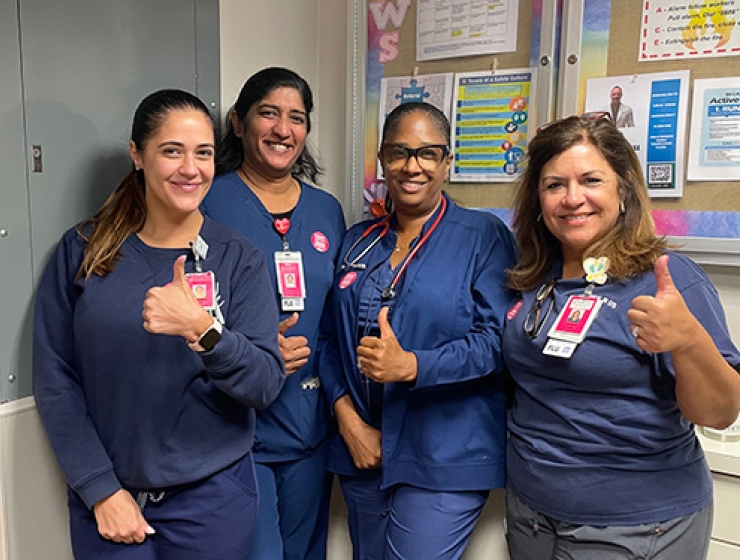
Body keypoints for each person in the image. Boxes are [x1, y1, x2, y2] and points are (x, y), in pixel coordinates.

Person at [33, 89, 286, 559]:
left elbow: (265, 383)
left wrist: (203, 330)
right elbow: (56, 381)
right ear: (137, 155)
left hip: (211, 503)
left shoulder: (237, 258)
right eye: (172, 150)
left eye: (204, 153)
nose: (191, 169)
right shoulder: (85, 251)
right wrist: (99, 490)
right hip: (109, 501)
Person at [503, 114, 740, 559]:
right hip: (532, 511)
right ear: (537, 197)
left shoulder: (665, 280)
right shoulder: (534, 274)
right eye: (555, 185)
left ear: (622, 189)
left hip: (635, 522)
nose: (573, 198)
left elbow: (720, 412)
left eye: (591, 180)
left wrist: (688, 340)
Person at [318, 101, 517, 560]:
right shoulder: (358, 239)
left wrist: (411, 365)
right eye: (400, 153)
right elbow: (329, 338)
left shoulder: (483, 237)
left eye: (428, 153)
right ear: (383, 161)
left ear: (448, 162)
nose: (413, 166)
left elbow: (497, 344)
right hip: (363, 451)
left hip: (444, 454)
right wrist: (346, 417)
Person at [201, 67, 345, 560]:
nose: (283, 129)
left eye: (297, 118)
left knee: (308, 553)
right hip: (237, 430)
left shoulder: (327, 211)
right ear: (239, 123)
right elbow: (183, 312)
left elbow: (334, 320)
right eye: (269, 113)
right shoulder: (206, 202)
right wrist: (253, 354)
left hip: (309, 426)